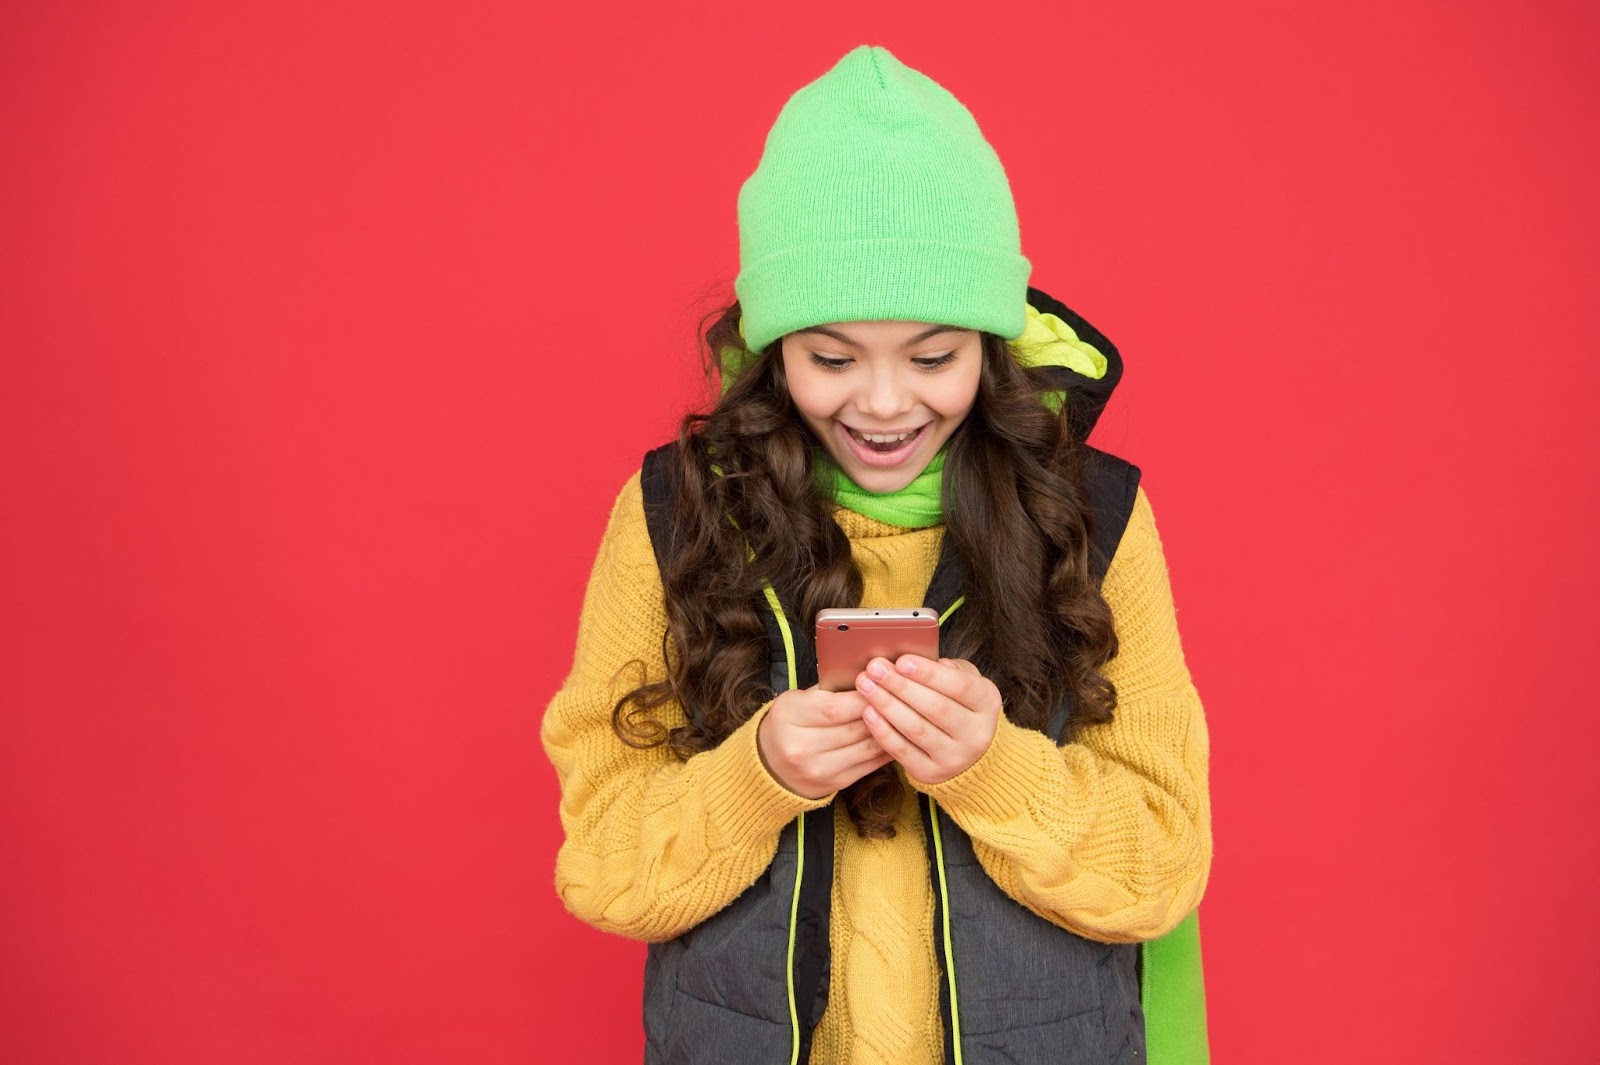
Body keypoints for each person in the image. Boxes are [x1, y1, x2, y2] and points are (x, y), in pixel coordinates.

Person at [540, 44, 1212, 1065]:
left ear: (990, 346)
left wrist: (995, 770)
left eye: (933, 355)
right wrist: (757, 774)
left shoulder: (1091, 516)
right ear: (774, 349)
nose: (886, 403)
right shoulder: (675, 515)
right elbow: (602, 867)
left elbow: (1163, 867)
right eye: (832, 357)